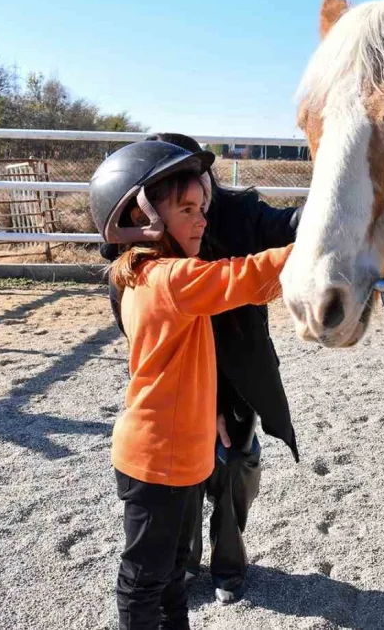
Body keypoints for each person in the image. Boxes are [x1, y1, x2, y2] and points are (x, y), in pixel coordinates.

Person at [88, 140, 293, 630]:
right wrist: (323, 241)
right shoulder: (168, 278)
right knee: (144, 580)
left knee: (174, 571)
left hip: (176, 456)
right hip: (157, 459)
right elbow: (249, 276)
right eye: (186, 209)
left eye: (203, 207)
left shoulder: (140, 274)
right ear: (138, 216)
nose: (203, 220)